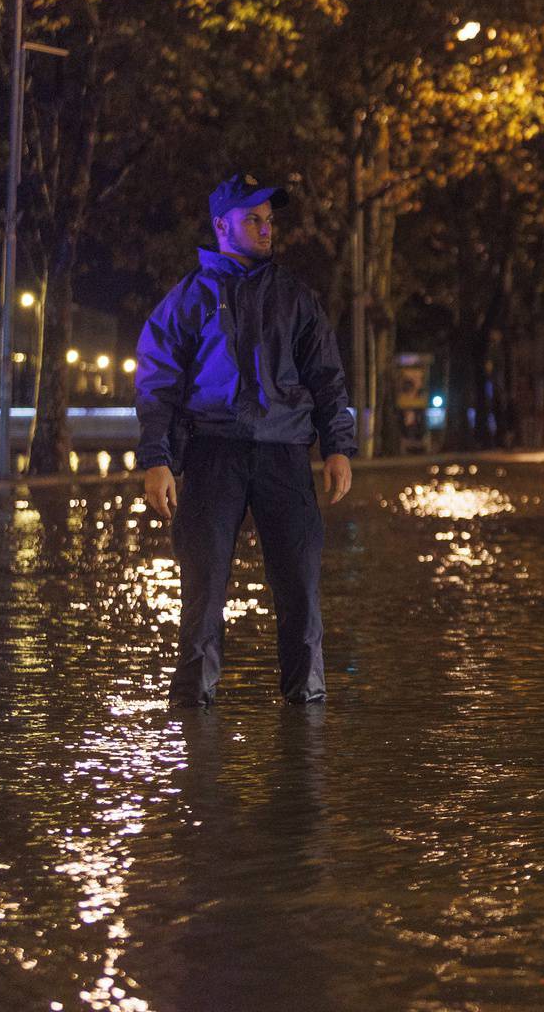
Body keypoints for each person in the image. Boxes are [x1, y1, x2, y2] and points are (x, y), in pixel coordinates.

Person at [135, 174, 356, 707]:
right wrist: (156, 460)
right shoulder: (189, 299)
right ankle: (192, 701)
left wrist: (338, 446)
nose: (265, 229)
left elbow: (327, 375)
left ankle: (307, 702)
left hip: (284, 452)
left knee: (300, 586)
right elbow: (157, 381)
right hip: (212, 452)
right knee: (203, 587)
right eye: (253, 219)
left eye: (269, 220)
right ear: (220, 226)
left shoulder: (295, 297)